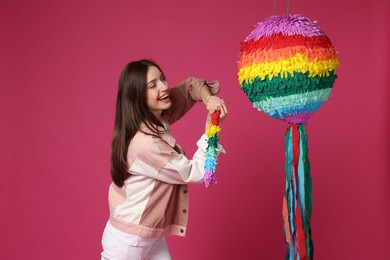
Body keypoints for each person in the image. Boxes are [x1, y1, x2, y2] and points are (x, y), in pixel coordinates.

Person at [101, 59, 228, 260]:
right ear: (137, 97)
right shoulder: (146, 143)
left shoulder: (156, 115)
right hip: (128, 240)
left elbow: (190, 86)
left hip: (148, 232)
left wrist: (208, 100)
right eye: (153, 85)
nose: (164, 87)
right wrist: (210, 129)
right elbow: (197, 172)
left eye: (162, 79)